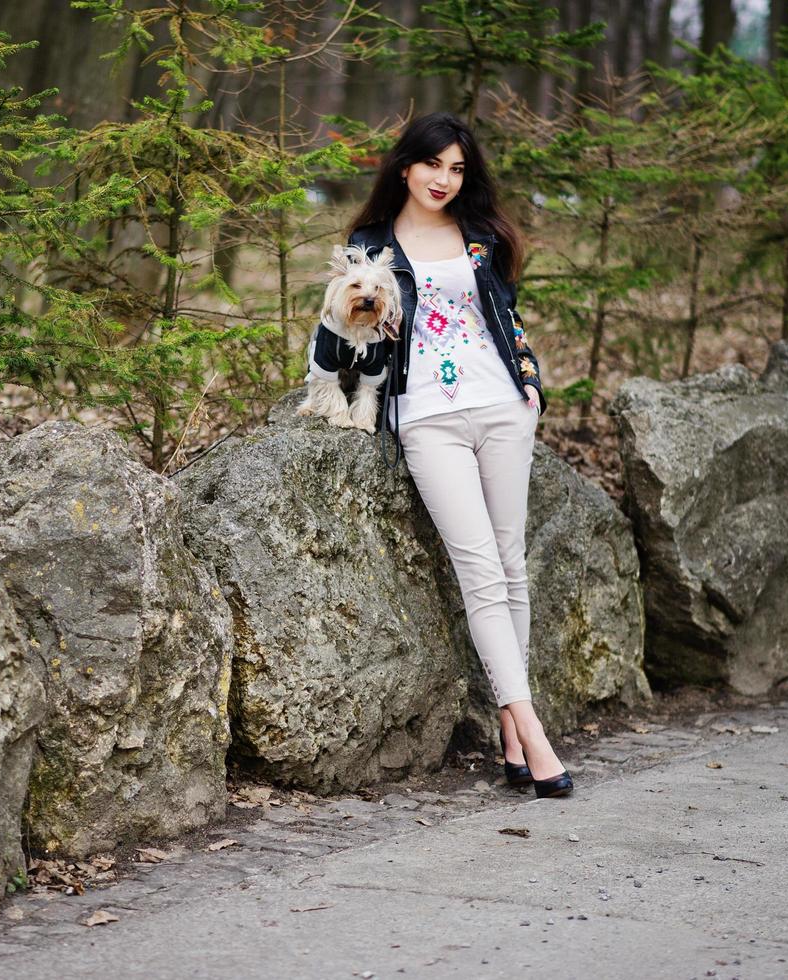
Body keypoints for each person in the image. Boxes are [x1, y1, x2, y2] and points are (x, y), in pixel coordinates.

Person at [309, 110, 572, 798]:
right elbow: (346, 321)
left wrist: (530, 386)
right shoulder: (370, 241)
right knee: (479, 570)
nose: (444, 180)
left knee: (511, 566)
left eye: (457, 169)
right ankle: (529, 727)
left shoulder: (480, 234)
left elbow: (504, 315)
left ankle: (515, 736)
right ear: (406, 165)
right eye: (433, 165)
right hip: (425, 414)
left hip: (501, 407)